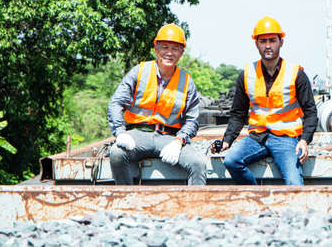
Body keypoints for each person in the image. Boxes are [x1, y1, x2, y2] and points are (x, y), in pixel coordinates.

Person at [210, 16, 318, 185]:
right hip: (257, 137)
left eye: (272, 40)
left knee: (294, 184)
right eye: (263, 41)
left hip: (286, 139)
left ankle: (294, 211)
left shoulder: (296, 73)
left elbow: (311, 111)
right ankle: (257, 198)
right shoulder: (247, 74)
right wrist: (227, 141)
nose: (268, 45)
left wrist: (304, 140)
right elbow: (238, 113)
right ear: (256, 44)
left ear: (281, 42)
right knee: (231, 160)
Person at [108, 23, 206, 185]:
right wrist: (120, 132)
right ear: (156, 48)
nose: (169, 53)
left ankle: (194, 208)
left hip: (169, 138)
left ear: (181, 52)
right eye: (165, 47)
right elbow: (116, 103)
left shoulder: (187, 82)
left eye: (175, 49)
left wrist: (179, 141)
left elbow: (192, 120)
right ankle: (126, 202)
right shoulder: (139, 72)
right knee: (117, 154)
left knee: (197, 164)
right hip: (138, 135)